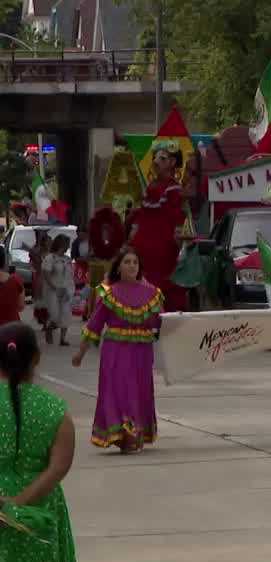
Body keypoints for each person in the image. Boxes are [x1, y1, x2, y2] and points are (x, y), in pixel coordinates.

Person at [72, 248, 163, 452]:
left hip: (142, 352)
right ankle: (124, 436)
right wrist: (80, 353)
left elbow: (162, 323)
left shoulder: (152, 293)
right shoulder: (110, 293)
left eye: (135, 262)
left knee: (140, 392)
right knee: (121, 391)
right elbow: (94, 325)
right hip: (116, 352)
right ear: (119, 267)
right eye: (127, 262)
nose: (132, 266)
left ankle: (137, 433)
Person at [0, 323, 77, 562]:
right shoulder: (55, 408)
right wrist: (18, 504)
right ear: (37, 358)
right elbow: (58, 468)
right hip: (41, 507)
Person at [125, 142, 188, 312]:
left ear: (172, 162)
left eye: (162, 158)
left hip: (163, 252)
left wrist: (178, 241)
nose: (156, 162)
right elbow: (140, 216)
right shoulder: (150, 187)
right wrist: (132, 232)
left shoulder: (174, 189)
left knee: (160, 292)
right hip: (143, 251)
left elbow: (177, 220)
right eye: (155, 158)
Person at [42, 235, 74, 347]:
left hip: (66, 290)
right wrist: (54, 287)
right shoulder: (50, 258)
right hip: (54, 290)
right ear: (61, 244)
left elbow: (70, 275)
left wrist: (70, 290)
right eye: (66, 244)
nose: (67, 247)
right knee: (54, 315)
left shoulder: (67, 259)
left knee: (66, 314)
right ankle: (49, 327)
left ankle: (62, 339)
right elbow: (46, 274)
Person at [29, 231, 51, 331]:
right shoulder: (38, 252)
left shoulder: (52, 253)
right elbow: (33, 264)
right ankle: (44, 322)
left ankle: (48, 321)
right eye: (47, 241)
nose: (49, 243)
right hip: (41, 278)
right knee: (42, 301)